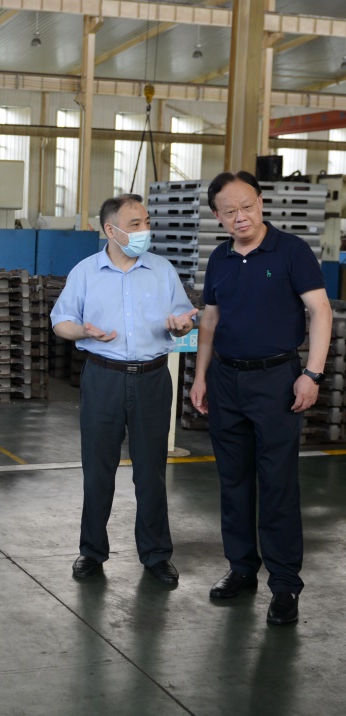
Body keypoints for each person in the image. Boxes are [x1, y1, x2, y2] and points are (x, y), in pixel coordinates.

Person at [189, 170, 331, 625]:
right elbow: (210, 321)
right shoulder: (220, 258)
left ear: (261, 202)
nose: (240, 217)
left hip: (277, 380)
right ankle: (241, 568)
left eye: (247, 206)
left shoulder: (291, 251)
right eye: (229, 211)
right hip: (226, 380)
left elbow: (320, 311)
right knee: (233, 481)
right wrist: (201, 376)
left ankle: (285, 585)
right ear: (217, 217)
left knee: (277, 484)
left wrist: (311, 373)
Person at [51, 194, 196, 586]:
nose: (144, 230)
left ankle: (156, 555)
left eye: (146, 222)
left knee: (151, 473)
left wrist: (182, 325)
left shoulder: (162, 270)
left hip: (152, 378)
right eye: (135, 224)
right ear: (109, 230)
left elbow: (182, 317)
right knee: (98, 471)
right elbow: (60, 321)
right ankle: (91, 551)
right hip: (104, 377)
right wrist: (82, 330)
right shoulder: (85, 272)